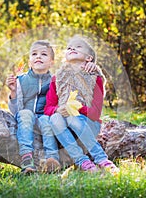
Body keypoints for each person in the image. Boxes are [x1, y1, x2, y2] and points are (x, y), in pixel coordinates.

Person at [6, 40, 97, 174]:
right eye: (34, 54)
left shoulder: (56, 80)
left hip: (45, 118)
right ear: (29, 61)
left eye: (43, 54)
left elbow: (73, 70)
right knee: (26, 114)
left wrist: (89, 66)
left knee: (46, 120)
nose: (38, 57)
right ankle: (26, 158)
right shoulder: (21, 80)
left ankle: (52, 160)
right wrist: (13, 92)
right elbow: (15, 110)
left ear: (52, 62)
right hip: (26, 118)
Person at [44, 35, 119, 173]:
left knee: (72, 118)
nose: (72, 48)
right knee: (54, 118)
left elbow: (95, 114)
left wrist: (77, 107)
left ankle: (101, 159)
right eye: (69, 47)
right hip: (63, 124)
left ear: (89, 58)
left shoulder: (94, 77)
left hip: (88, 123)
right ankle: (82, 161)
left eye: (78, 46)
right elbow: (48, 108)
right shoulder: (57, 78)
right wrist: (59, 109)